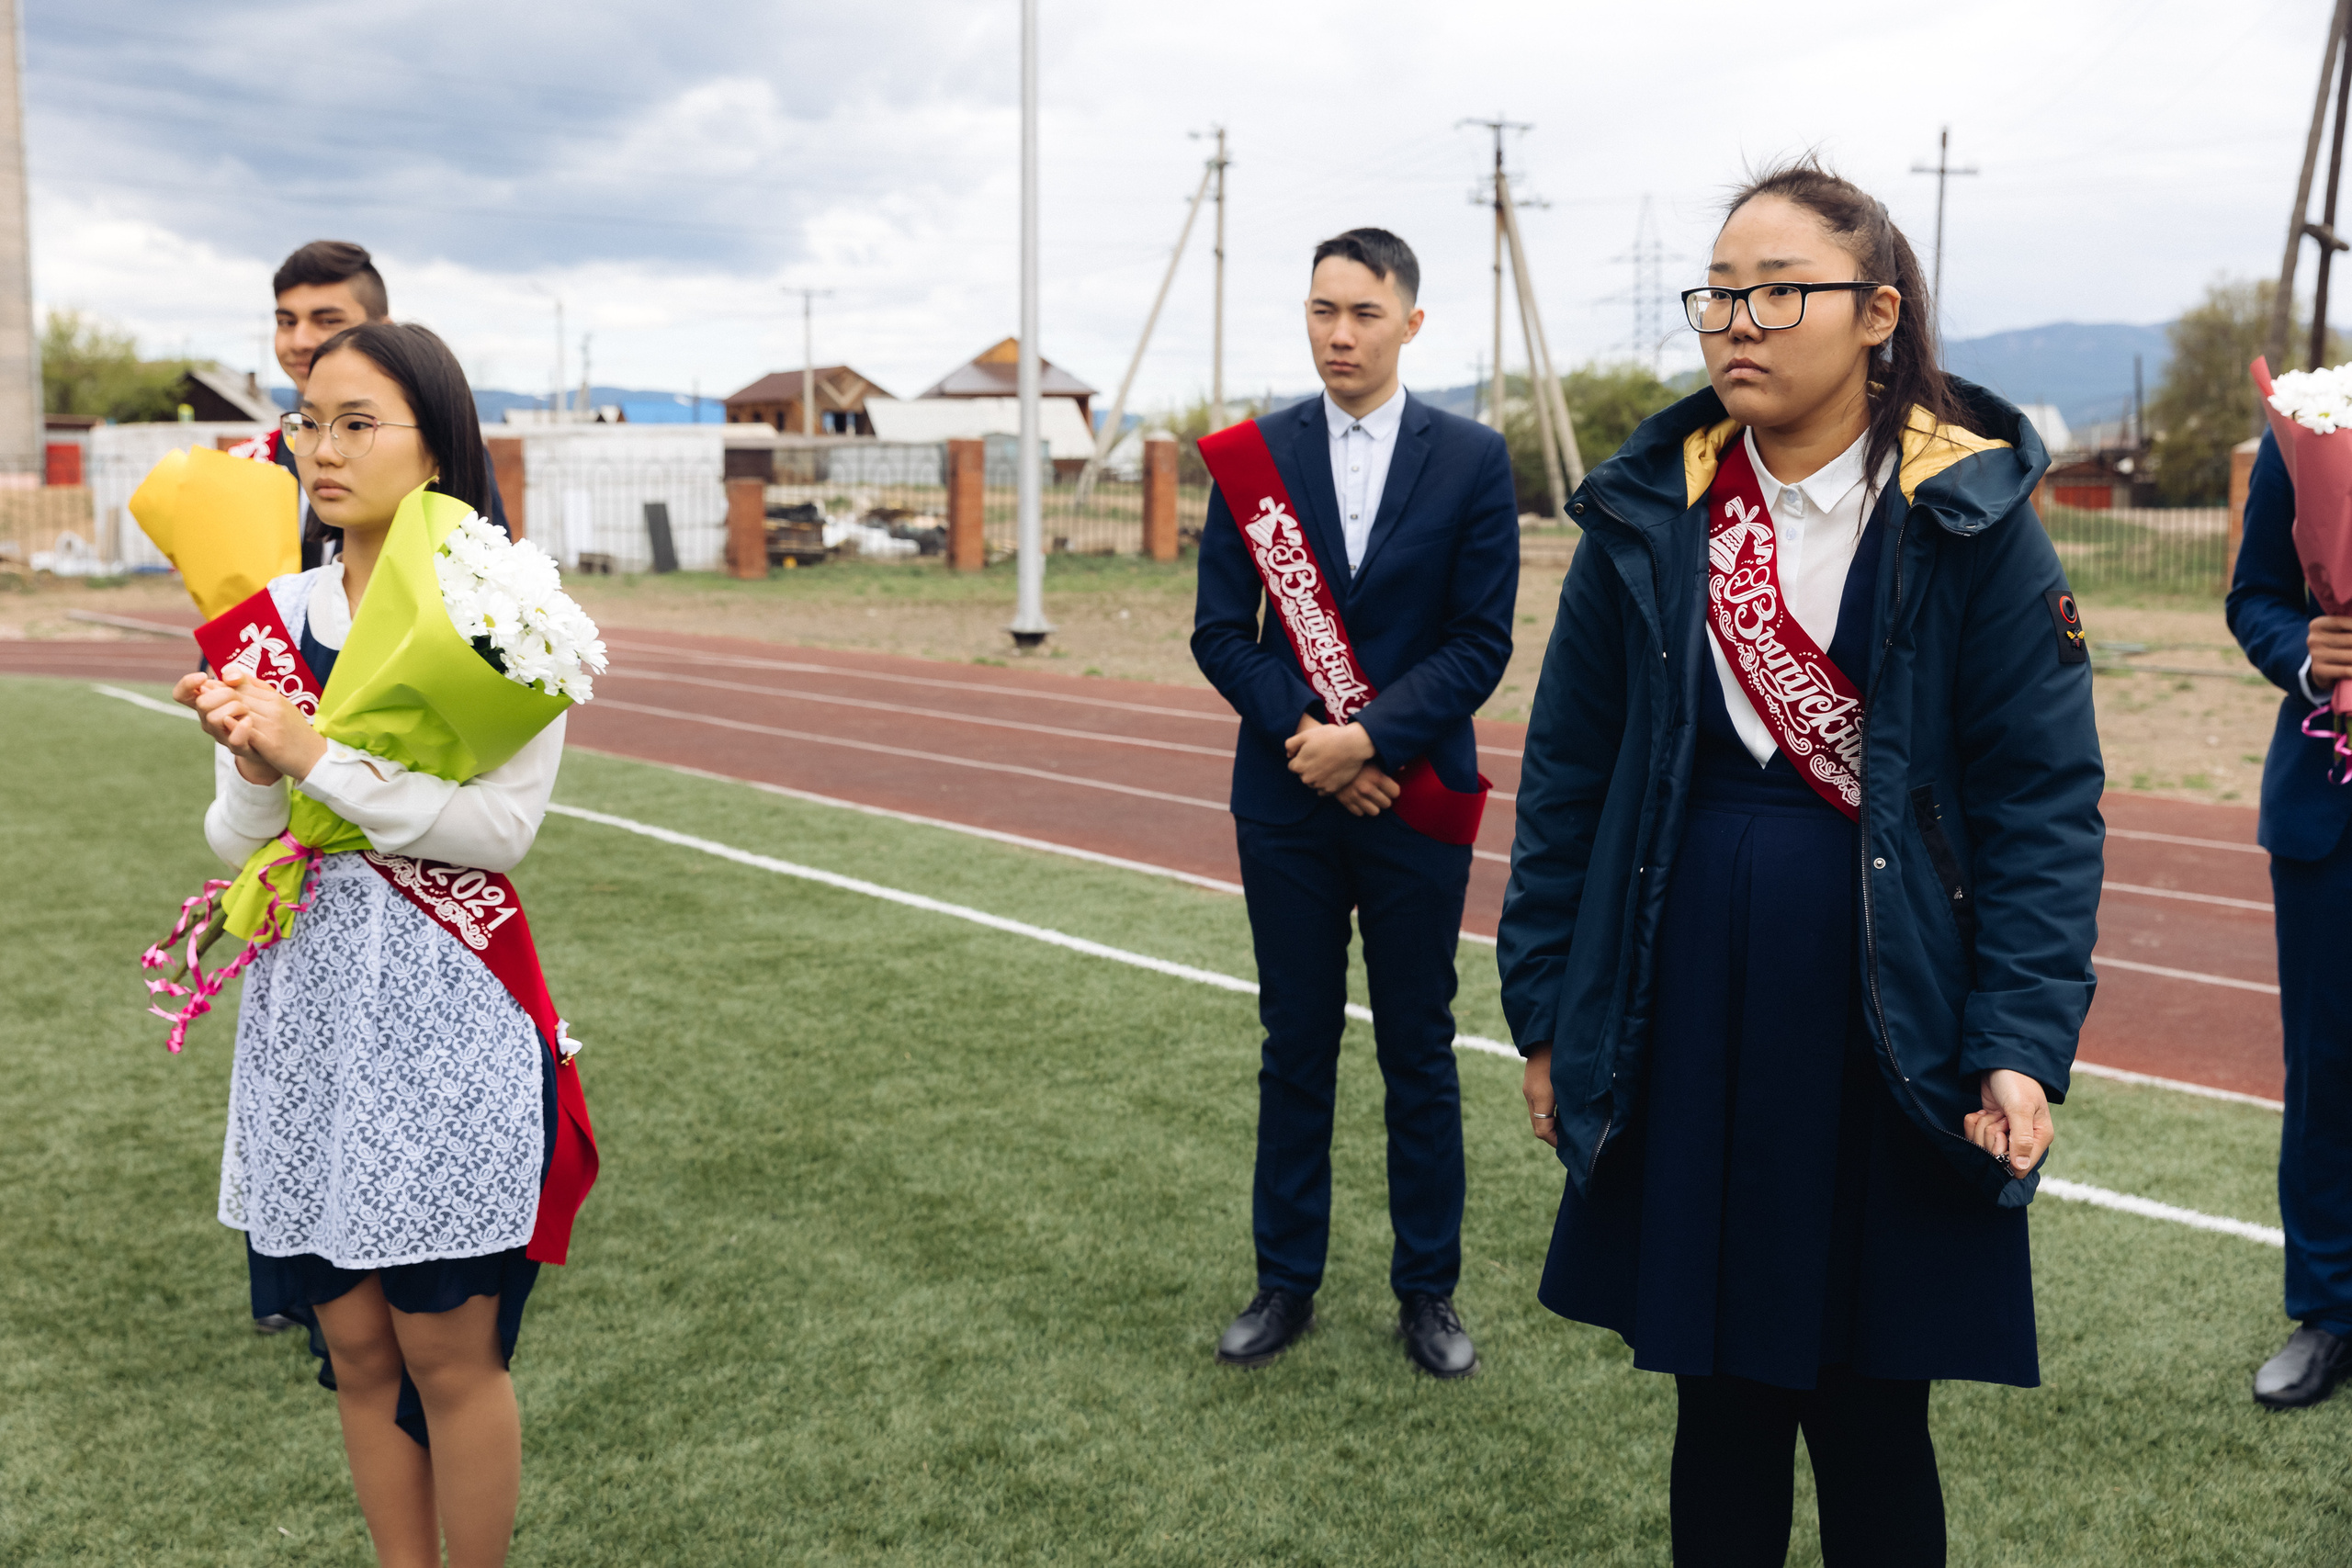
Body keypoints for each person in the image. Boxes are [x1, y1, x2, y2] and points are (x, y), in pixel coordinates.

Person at [1497, 158, 2102, 1564]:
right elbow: (1569, 779)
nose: (1739, 321)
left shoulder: (1973, 520)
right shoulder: (1653, 512)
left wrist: (2018, 1041)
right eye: (1720, 293)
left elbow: (2040, 805)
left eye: (1781, 291)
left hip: (1890, 1001)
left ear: (1878, 311)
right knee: (1718, 1398)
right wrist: (1549, 1014)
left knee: (1876, 1405)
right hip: (1691, 980)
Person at [175, 321, 569, 1568]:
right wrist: (252, 761)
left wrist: (319, 756)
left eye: (359, 423)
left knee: (450, 1346)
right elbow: (239, 832)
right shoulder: (269, 617)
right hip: (309, 1001)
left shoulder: (503, 605)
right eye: (307, 421)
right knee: (351, 1342)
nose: (322, 449)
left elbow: (500, 833)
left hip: (448, 998)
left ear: (438, 444)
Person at [1191, 228, 1517, 1378]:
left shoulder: (1475, 459)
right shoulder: (1252, 458)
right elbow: (1221, 632)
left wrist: (1373, 739)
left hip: (1416, 792)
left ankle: (1427, 1291)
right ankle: (1285, 1282)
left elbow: (1482, 640)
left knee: (1419, 1049)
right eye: (1322, 310)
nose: (1339, 333)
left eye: (1363, 313)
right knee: (1296, 1043)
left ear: (1410, 324)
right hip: (1285, 799)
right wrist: (1312, 742)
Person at [2229, 420, 2352, 1408]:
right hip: (2330, 814)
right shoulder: (2314, 431)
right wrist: (2307, 653)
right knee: (2327, 1069)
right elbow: (2254, 597)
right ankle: (2330, 1311)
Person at [233, 240, 509, 568]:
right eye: (287, 322)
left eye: (328, 321)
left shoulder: (440, 448)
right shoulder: (261, 459)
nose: (300, 341)